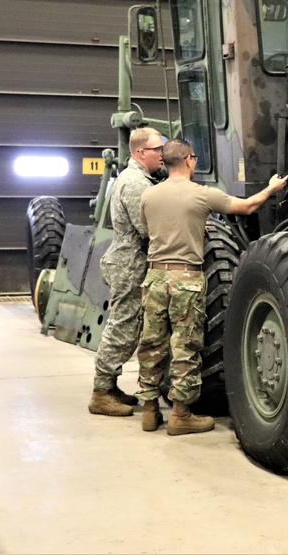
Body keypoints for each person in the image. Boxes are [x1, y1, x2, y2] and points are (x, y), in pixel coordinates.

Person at [137, 139, 288, 435]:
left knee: (152, 344)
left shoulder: (148, 195)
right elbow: (248, 206)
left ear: (165, 163)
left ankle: (149, 411)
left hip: (154, 278)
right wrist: (271, 188)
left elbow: (148, 230)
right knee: (185, 345)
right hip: (186, 279)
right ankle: (180, 415)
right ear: (190, 160)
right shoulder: (202, 195)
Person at [88, 127, 165, 417]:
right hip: (129, 264)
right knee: (123, 327)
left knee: (128, 327)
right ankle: (101, 392)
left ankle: (110, 386)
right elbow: (148, 227)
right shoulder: (135, 184)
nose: (162, 154)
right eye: (157, 149)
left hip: (130, 262)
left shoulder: (139, 179)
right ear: (141, 152)